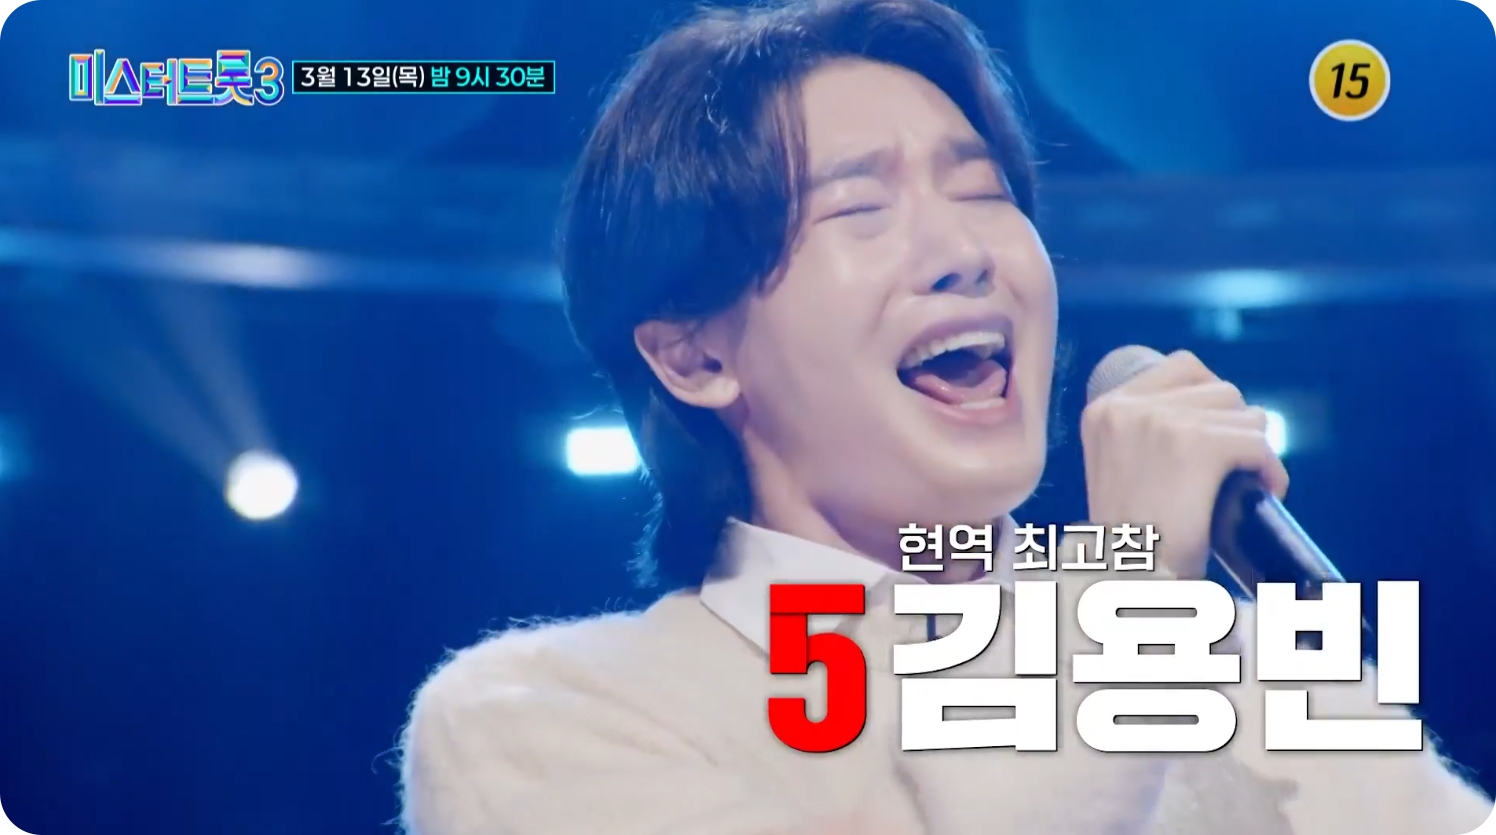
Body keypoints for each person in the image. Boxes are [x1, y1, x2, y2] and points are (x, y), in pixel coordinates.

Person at [396, 0, 1493, 832]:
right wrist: (1127, 601)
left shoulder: (1235, 674)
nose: (965, 251)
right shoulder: (546, 715)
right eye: (860, 208)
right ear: (696, 355)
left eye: (982, 194)